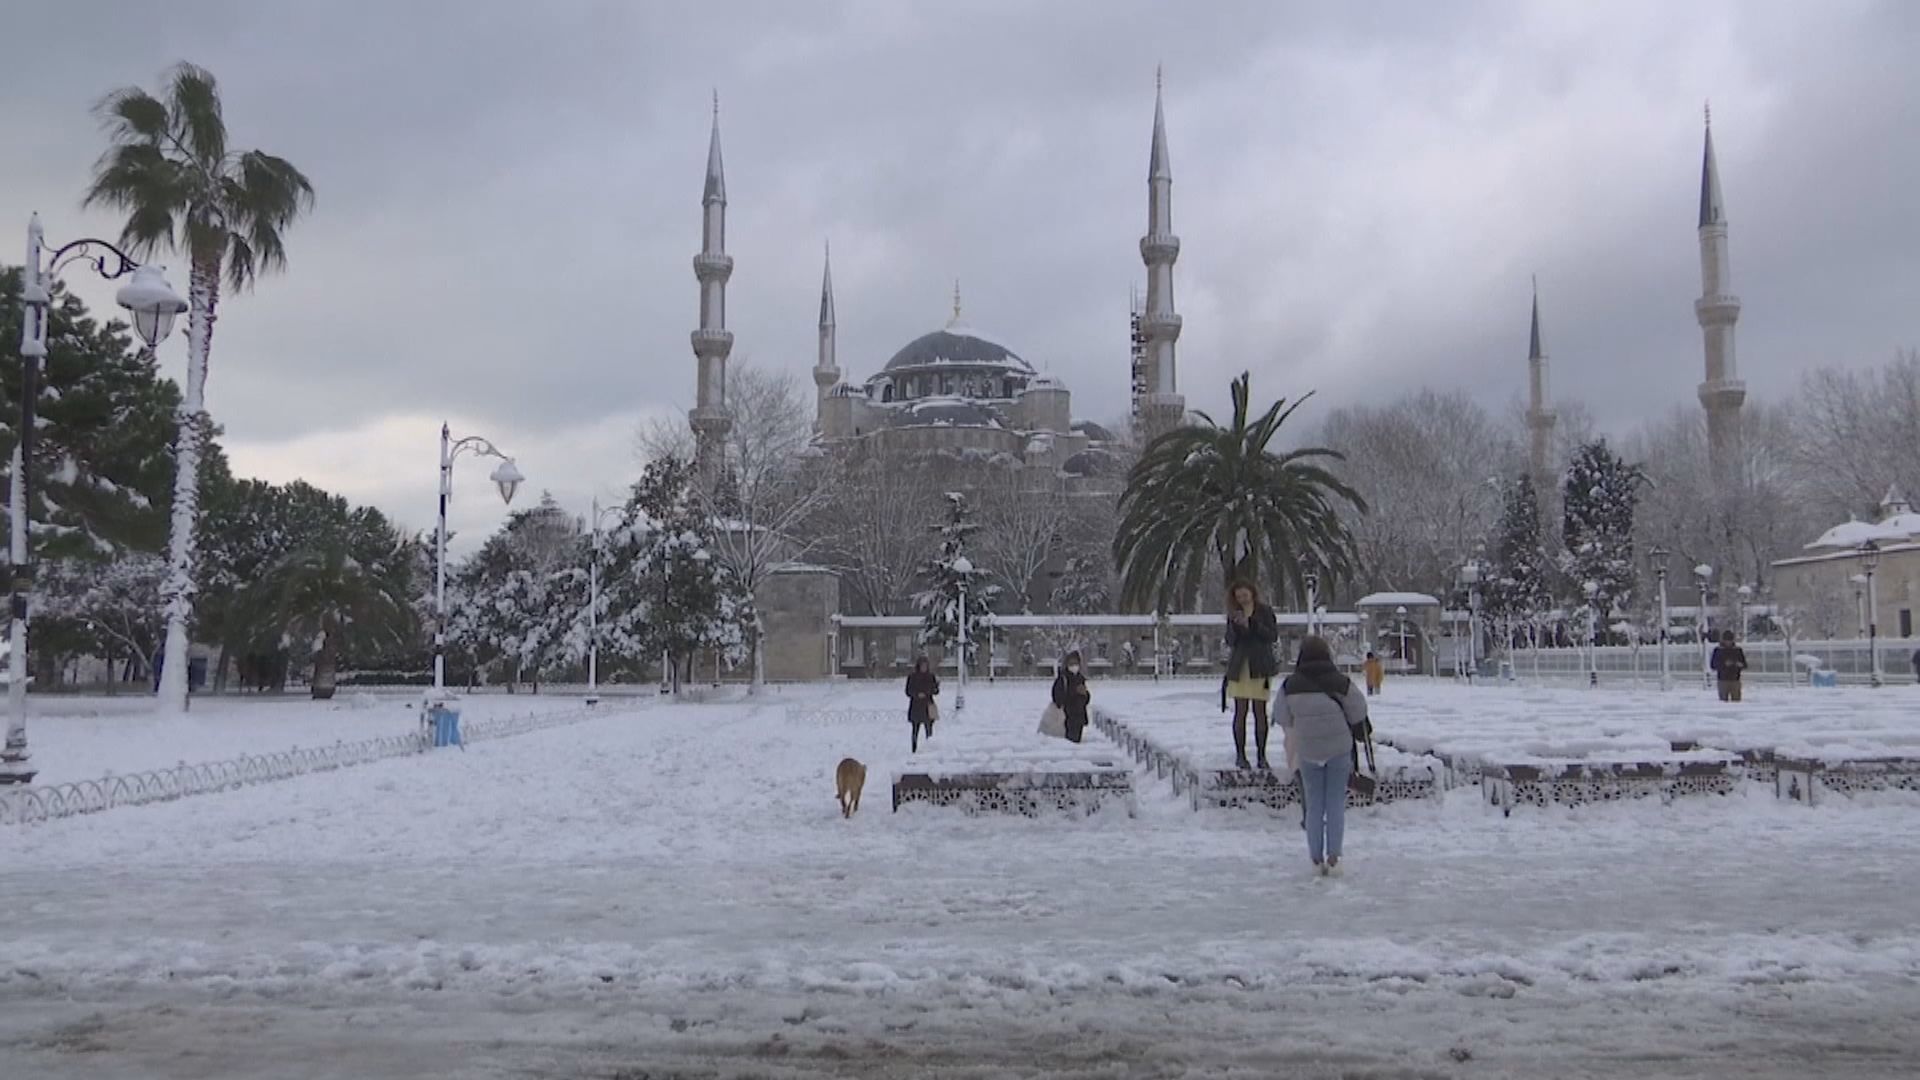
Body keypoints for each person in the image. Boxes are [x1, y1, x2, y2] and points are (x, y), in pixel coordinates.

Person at [1276, 636, 1370, 877]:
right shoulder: (1341, 682)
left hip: (1308, 750)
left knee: (1315, 804)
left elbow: (1281, 716)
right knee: (1335, 802)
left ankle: (1315, 857)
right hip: (1339, 748)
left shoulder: (1290, 685)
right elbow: (1359, 710)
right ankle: (1334, 856)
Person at [1220, 581, 1282, 770]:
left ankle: (1262, 755)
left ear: (1252, 594)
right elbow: (1230, 640)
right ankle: (1241, 755)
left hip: (1260, 667)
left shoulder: (1264, 611)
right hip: (1240, 667)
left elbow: (1271, 635)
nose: (1242, 599)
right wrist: (1236, 626)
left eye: (1245, 595)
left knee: (1260, 712)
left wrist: (1251, 624)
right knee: (1240, 712)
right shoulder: (1233, 614)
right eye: (1238, 597)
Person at [1051, 650, 1092, 743]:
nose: (1074, 666)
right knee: (1068, 744)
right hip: (1067, 718)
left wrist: (1085, 694)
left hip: (1080, 718)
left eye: (1076, 663)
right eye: (1071, 663)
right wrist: (1074, 692)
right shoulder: (1063, 679)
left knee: (1077, 743)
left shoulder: (1080, 678)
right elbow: (1058, 698)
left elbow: (1085, 700)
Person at [905, 656, 940, 751]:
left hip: (927, 705)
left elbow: (935, 691)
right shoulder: (912, 677)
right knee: (915, 729)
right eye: (922, 666)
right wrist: (917, 694)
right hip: (916, 706)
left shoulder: (930, 676)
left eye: (925, 666)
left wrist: (935, 686)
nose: (924, 667)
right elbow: (908, 691)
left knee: (929, 728)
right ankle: (914, 748)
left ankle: (929, 747)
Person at [1710, 630, 1748, 702]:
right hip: (1723, 680)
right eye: (1727, 640)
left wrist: (1739, 664)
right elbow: (1713, 665)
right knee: (1723, 702)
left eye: (1730, 640)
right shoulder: (1718, 650)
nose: (1728, 642)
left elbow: (1745, 664)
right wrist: (1724, 664)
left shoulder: (1737, 650)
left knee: (1736, 701)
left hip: (1735, 680)